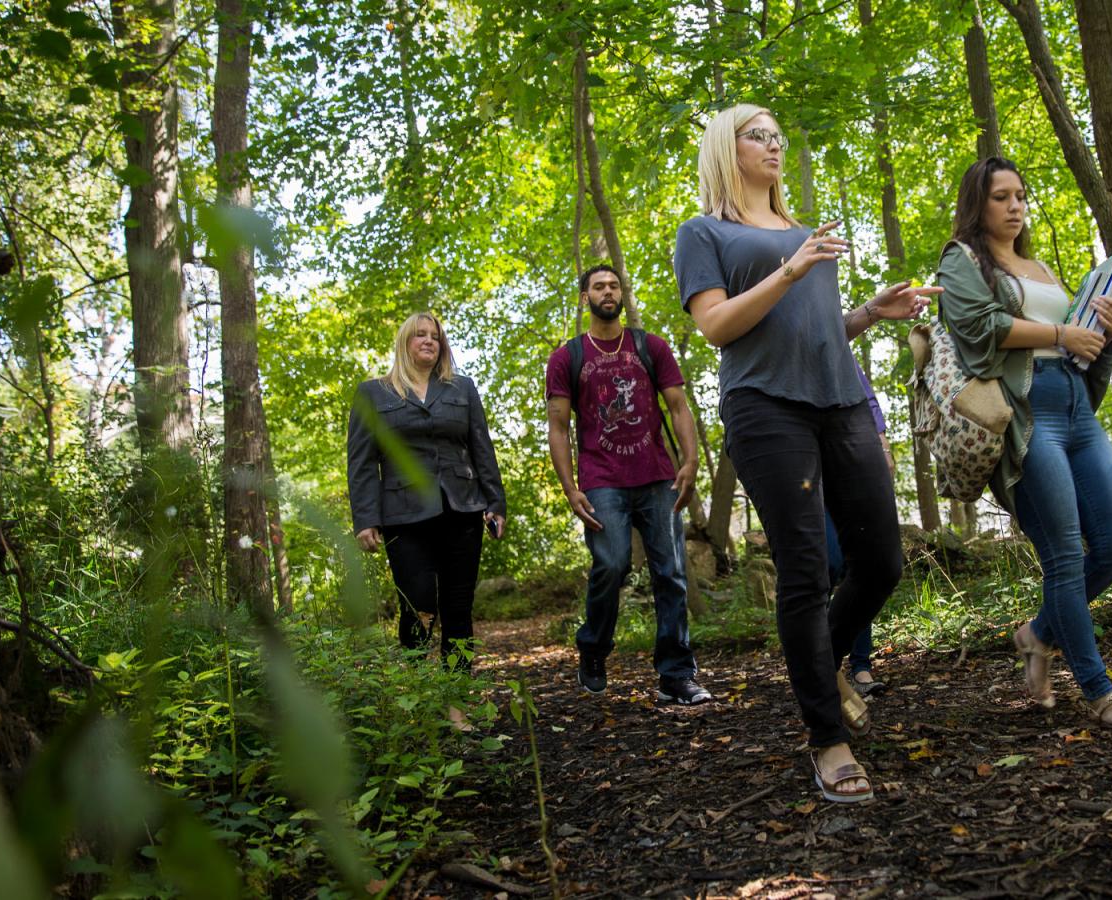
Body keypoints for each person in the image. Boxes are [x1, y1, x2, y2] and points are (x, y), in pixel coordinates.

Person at [674, 104, 940, 803]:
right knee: (802, 571)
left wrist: (869, 313)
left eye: (778, 135)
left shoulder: (801, 231)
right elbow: (715, 326)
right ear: (725, 149)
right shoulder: (705, 232)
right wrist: (790, 270)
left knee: (882, 559)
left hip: (841, 401)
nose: (773, 145)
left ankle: (818, 665)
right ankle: (828, 739)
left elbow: (817, 329)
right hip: (765, 408)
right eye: (758, 135)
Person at [937, 156, 1112, 729]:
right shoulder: (961, 260)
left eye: (1020, 196)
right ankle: (1100, 692)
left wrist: (1105, 332)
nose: (1015, 206)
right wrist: (1062, 330)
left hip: (1077, 409)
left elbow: (1082, 354)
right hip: (1026, 416)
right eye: (1000, 197)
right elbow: (980, 330)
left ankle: (1036, 633)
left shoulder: (1039, 266)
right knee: (1063, 555)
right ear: (977, 204)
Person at [546, 264, 711, 706]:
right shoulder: (567, 357)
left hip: (658, 476)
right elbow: (558, 427)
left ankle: (675, 674)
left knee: (671, 573)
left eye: (614, 285)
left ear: (622, 294)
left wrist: (690, 461)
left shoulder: (649, 346)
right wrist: (569, 487)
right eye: (598, 286)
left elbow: (678, 407)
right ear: (585, 298)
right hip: (601, 482)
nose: (607, 291)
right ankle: (594, 648)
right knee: (612, 564)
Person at [347, 312, 507, 670]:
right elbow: (361, 462)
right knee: (418, 604)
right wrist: (365, 519)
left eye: (435, 336)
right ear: (405, 343)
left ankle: (456, 700)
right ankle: (419, 690)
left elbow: (482, 447)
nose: (429, 341)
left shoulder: (461, 388)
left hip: (462, 509)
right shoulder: (373, 393)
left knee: (458, 607)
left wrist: (495, 503)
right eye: (419, 335)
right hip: (403, 516)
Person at [824, 360, 893, 696]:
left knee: (863, 564)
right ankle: (822, 663)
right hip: (803, 470)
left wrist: (882, 445)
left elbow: (867, 397)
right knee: (828, 562)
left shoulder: (835, 343)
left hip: (848, 461)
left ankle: (861, 666)